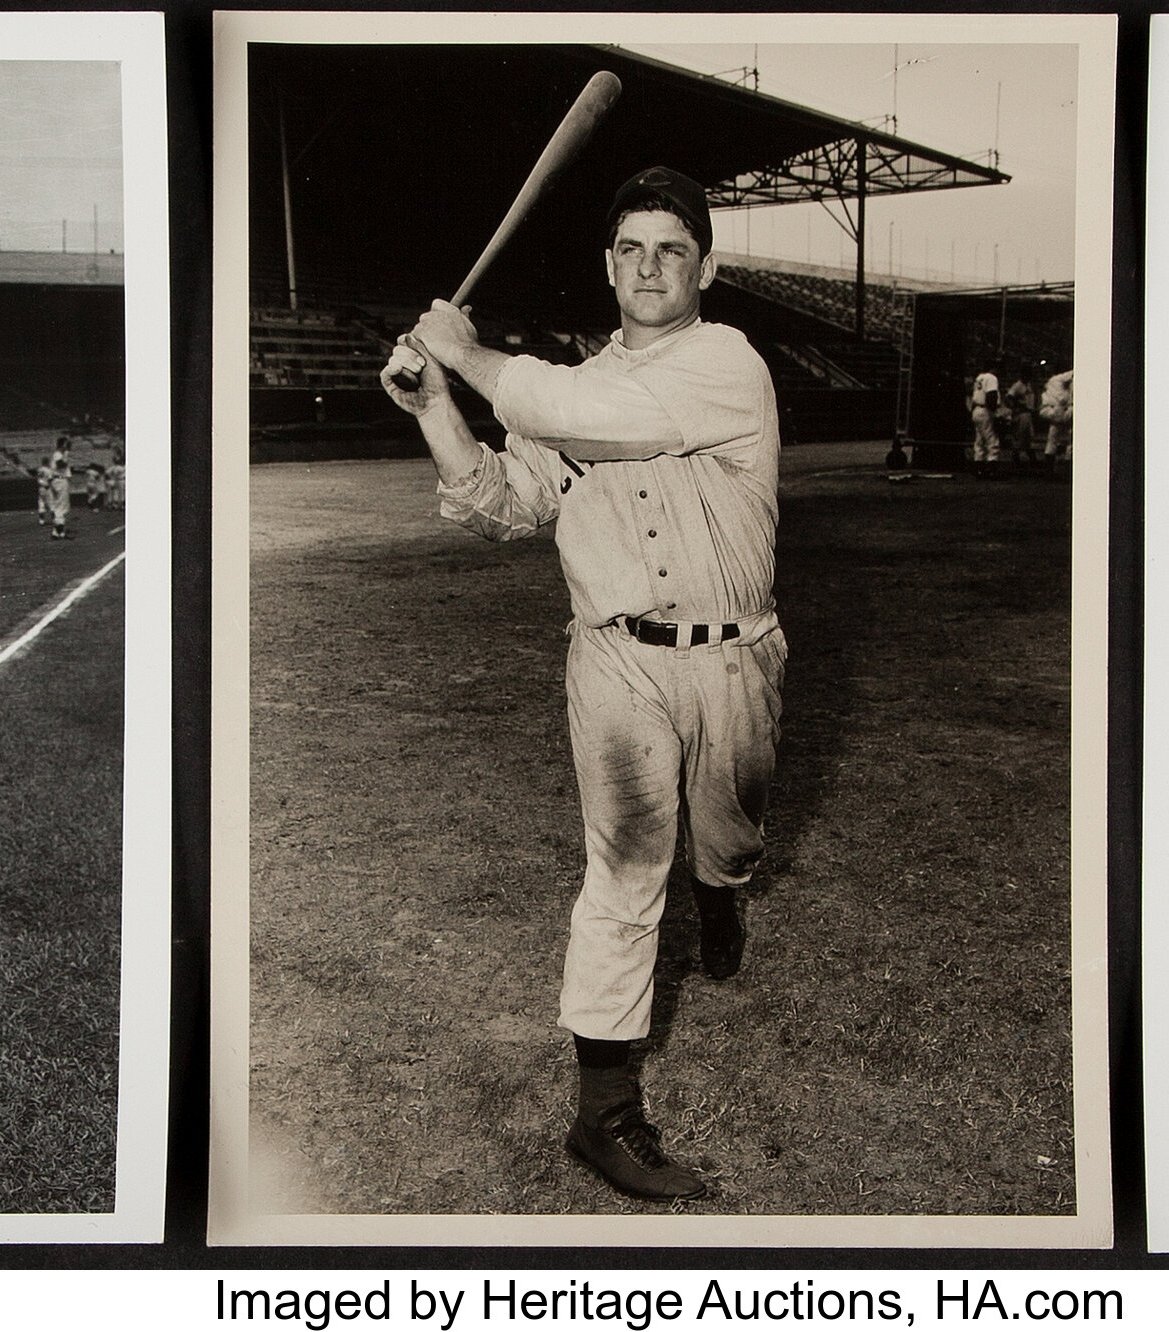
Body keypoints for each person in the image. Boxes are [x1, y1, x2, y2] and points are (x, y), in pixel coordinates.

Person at [381, 166, 783, 1203]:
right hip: (615, 661)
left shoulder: (725, 363)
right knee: (622, 872)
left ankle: (723, 885)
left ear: (707, 268)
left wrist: (464, 349)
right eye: (633, 249)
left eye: (674, 250)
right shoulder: (570, 386)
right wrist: (435, 406)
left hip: (736, 654)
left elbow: (589, 413)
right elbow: (506, 504)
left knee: (729, 829)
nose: (652, 267)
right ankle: (604, 1117)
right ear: (609, 267)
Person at [38, 436, 76, 540]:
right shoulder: (59, 454)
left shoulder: (59, 454)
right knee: (62, 505)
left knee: (59, 505)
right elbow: (61, 465)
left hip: (56, 480)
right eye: (66, 444)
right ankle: (59, 530)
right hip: (60, 480)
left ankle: (58, 531)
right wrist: (66, 455)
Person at [967, 369, 1003, 473]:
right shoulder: (991, 378)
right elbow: (991, 396)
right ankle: (992, 470)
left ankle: (979, 468)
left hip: (977, 410)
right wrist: (995, 414)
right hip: (986, 410)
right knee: (992, 440)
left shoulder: (980, 377)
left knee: (979, 441)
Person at [1038, 368, 1075, 463]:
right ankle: (1068, 461)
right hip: (1061, 409)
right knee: (1071, 437)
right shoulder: (1059, 378)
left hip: (1052, 411)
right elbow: (1072, 374)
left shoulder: (1050, 382)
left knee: (1052, 439)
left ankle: (1050, 467)